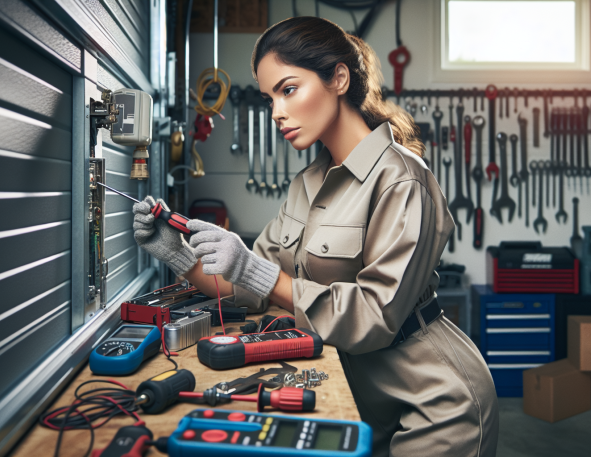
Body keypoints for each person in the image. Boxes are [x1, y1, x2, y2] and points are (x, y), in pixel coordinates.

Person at [133, 16, 498, 457]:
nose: (276, 113)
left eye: (288, 90)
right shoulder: (307, 183)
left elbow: (374, 316)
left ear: (338, 79)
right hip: (361, 395)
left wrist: (257, 270)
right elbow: (248, 289)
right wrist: (178, 255)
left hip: (434, 401)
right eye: (270, 98)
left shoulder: (402, 181)